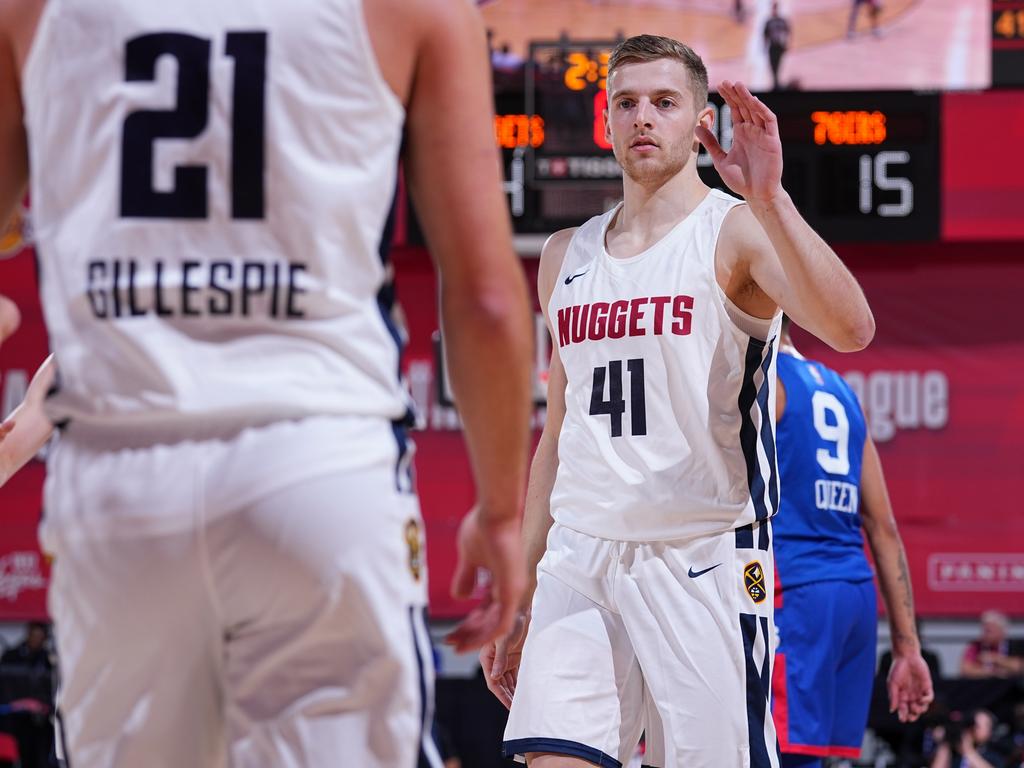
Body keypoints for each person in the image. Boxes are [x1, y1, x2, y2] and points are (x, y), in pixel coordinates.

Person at [0, 1, 534, 766]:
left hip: (121, 481)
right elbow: (485, 300)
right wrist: (501, 514)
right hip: (319, 463)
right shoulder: (416, 9)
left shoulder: (32, 10)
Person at [482, 33, 876, 768]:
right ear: (606, 120)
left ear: (700, 121)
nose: (643, 118)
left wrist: (772, 198)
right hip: (582, 556)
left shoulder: (735, 232)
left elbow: (853, 329)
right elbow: (559, 433)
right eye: (626, 102)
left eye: (664, 103)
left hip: (704, 557)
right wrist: (520, 584)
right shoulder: (565, 255)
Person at [771, 316, 933, 767]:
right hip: (854, 601)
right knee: (817, 757)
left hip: (797, 595)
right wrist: (907, 647)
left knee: (782, 756)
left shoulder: (763, 382)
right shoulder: (841, 390)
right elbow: (883, 526)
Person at [960, 611, 1024, 679]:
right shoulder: (976, 646)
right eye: (984, 630)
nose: (985, 634)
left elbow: (1020, 666)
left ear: (1001, 631)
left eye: (989, 631)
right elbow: (965, 670)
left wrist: (997, 659)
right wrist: (991, 673)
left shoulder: (1016, 645)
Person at [930, 710, 1003, 768]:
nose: (974, 728)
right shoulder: (954, 749)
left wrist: (968, 751)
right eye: (974, 724)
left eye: (979, 725)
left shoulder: (993, 757)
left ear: (990, 732)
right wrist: (945, 744)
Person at [763, 3, 791, 91]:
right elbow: (765, 34)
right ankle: (775, 83)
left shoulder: (782, 20)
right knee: (772, 65)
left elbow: (788, 32)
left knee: (778, 64)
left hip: (779, 46)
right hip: (772, 46)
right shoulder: (769, 21)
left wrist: (786, 44)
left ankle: (776, 83)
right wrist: (765, 46)